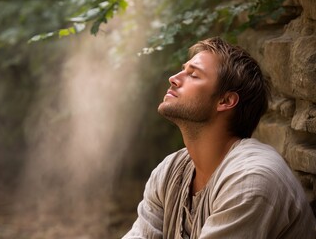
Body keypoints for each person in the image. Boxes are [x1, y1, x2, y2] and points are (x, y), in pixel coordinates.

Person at [123, 37, 316, 238]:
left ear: (225, 100)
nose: (174, 78)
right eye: (183, 69)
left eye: (194, 75)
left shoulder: (251, 180)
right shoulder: (169, 172)